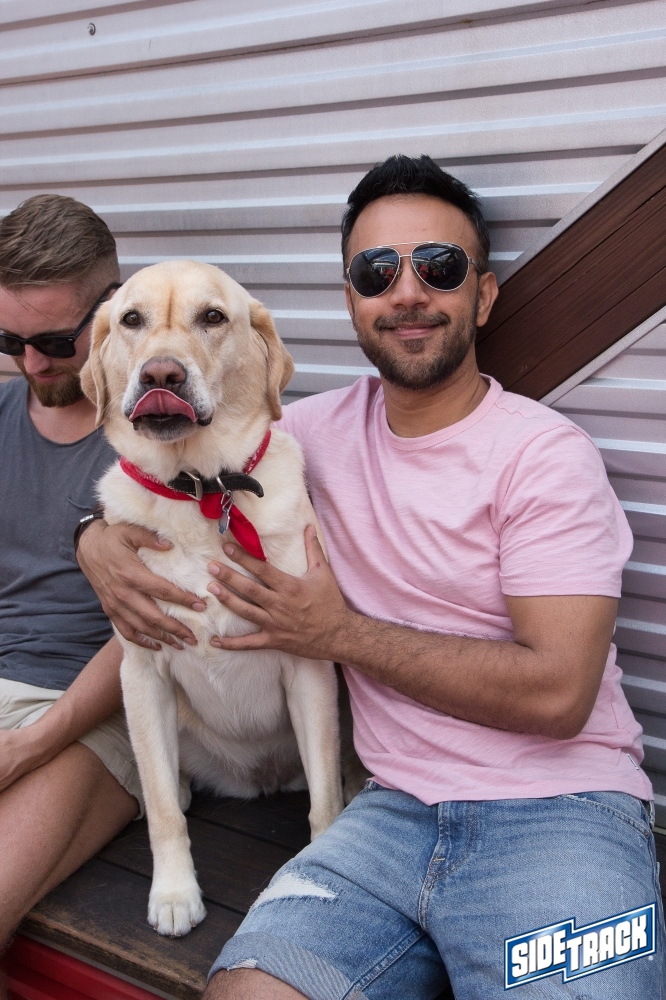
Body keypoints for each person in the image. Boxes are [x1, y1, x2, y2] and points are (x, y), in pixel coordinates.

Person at [76, 156, 664, 998]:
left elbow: (559, 694)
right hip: (384, 815)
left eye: (441, 267)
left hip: (562, 814)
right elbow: (174, 471)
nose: (408, 292)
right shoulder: (300, 437)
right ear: (351, 300)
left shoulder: (545, 456)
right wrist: (94, 538)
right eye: (377, 271)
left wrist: (339, 634)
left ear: (483, 297)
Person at [0, 195, 146, 973]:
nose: (31, 365)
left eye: (56, 342)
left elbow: (154, 632)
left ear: (114, 307)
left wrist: (27, 747)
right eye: (9, 341)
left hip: (96, 716)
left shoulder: (161, 433)